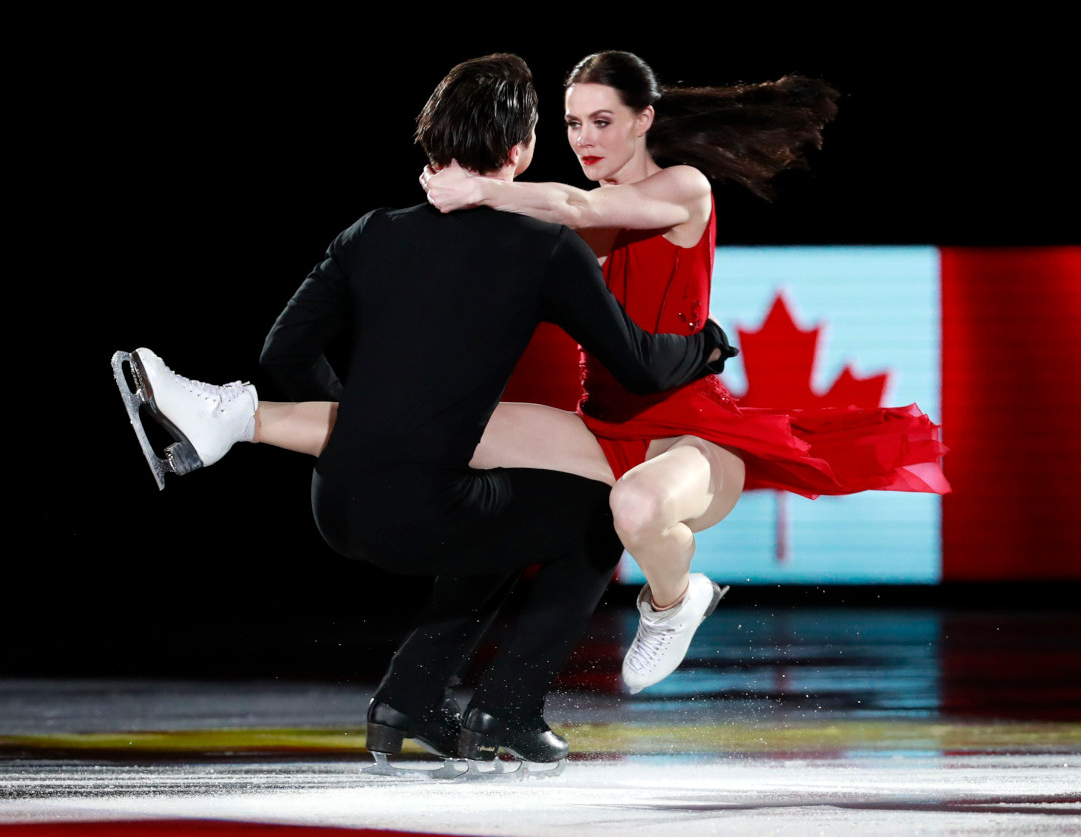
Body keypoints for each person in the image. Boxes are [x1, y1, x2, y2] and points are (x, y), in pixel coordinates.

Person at [113, 53, 736, 773]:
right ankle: (508, 707)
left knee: (509, 507)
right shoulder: (541, 246)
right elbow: (636, 362)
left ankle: (408, 697)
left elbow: (284, 353)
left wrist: (372, 435)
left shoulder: (371, 231)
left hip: (336, 507)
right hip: (426, 509)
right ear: (522, 150)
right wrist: (708, 348)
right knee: (595, 509)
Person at [421, 50, 950, 694]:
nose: (585, 139)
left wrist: (482, 189)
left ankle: (673, 604)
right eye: (572, 124)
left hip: (693, 436)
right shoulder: (579, 208)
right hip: (602, 429)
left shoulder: (682, 187)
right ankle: (262, 420)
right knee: (446, 427)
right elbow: (531, 243)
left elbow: (578, 210)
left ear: (644, 120)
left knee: (638, 503)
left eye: (602, 121)